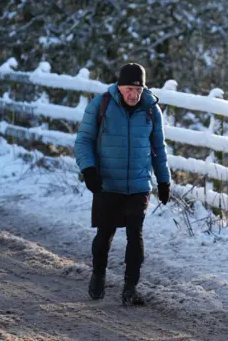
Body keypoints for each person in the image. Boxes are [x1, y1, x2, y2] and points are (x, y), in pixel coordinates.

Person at [74, 63, 171, 306]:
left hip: (138, 185)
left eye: (138, 90)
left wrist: (164, 180)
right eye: (129, 89)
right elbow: (83, 140)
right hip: (108, 183)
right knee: (105, 233)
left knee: (135, 235)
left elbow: (158, 149)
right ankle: (98, 275)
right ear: (119, 87)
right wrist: (89, 170)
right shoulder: (101, 105)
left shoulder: (151, 109)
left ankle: (130, 288)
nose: (133, 95)